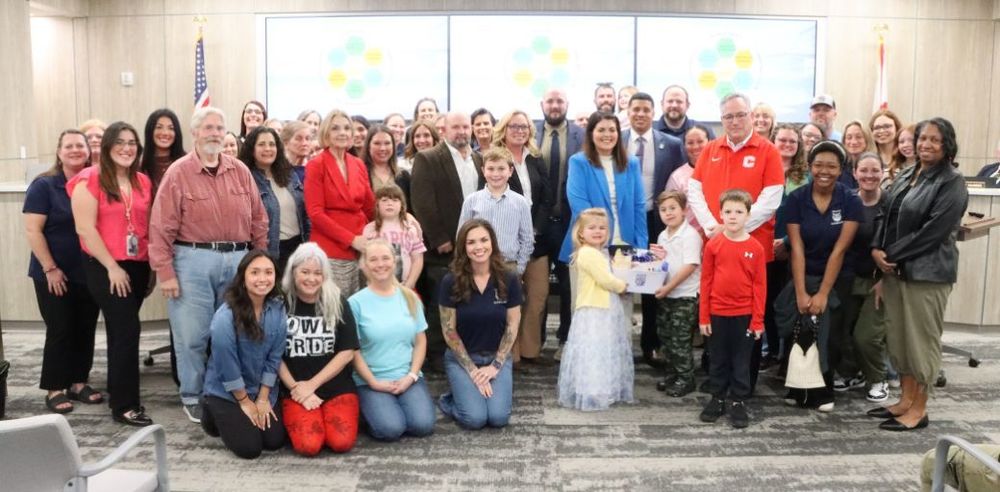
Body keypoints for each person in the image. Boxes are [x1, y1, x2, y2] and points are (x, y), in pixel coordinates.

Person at [149, 106, 269, 424]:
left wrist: (259, 260)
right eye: (208, 127)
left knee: (233, 333)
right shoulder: (178, 173)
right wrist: (165, 272)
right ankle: (193, 394)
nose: (214, 133)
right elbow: (161, 226)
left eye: (219, 128)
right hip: (192, 261)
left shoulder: (240, 170)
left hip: (238, 260)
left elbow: (259, 218)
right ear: (195, 133)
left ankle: (225, 391)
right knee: (193, 336)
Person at [869, 117, 968, 431]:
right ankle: (905, 400)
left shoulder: (952, 180)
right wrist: (876, 249)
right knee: (898, 338)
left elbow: (934, 232)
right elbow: (885, 212)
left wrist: (892, 255)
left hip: (927, 273)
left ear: (947, 145)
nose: (926, 145)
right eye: (923, 138)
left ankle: (920, 410)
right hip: (895, 271)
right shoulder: (910, 171)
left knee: (921, 341)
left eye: (934, 140)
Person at [69, 121, 154, 426]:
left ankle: (118, 394)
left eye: (132, 142)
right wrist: (112, 267)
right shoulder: (89, 179)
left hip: (138, 266)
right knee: (128, 331)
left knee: (121, 334)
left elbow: (145, 229)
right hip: (105, 266)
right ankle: (125, 406)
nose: (126, 147)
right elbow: (84, 229)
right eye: (119, 142)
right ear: (106, 146)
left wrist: (150, 266)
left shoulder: (143, 182)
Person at [778, 140, 862, 412]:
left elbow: (839, 250)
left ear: (841, 170)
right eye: (818, 165)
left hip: (838, 279)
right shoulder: (796, 199)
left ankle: (823, 391)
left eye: (832, 166)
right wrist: (802, 292)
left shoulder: (850, 200)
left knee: (831, 334)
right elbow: (797, 249)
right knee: (799, 329)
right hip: (803, 272)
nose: (824, 171)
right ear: (810, 167)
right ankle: (797, 388)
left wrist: (823, 293)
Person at [24, 130, 102, 414]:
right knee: (60, 328)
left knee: (85, 327)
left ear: (88, 151)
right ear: (59, 152)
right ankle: (55, 388)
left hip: (88, 271)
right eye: (68, 146)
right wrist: (50, 268)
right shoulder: (44, 185)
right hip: (53, 272)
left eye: (80, 145)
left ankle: (79, 383)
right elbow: (33, 230)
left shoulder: (95, 183)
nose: (75, 150)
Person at [410, 111, 483, 371]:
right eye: (456, 127)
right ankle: (436, 353)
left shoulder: (478, 159)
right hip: (444, 247)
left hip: (473, 245)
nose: (462, 131)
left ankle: (464, 348)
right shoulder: (427, 158)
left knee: (468, 299)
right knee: (441, 300)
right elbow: (422, 202)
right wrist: (439, 237)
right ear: (444, 130)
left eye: (466, 126)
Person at [200, 250, 287, 459]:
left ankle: (237, 416)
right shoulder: (225, 316)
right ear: (243, 277)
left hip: (260, 388)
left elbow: (275, 357)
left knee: (274, 442)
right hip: (227, 391)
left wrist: (263, 397)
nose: (262, 279)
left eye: (268, 272)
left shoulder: (277, 309)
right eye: (255, 272)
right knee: (250, 449)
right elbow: (226, 365)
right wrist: (245, 401)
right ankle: (210, 411)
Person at [438, 219, 522, 429]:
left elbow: (512, 324)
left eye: (484, 240)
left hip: (497, 358)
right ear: (463, 248)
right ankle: (451, 399)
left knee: (498, 418)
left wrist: (495, 366)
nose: (479, 247)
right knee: (474, 419)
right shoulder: (451, 281)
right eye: (471, 242)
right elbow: (449, 332)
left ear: (492, 242)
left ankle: (470, 394)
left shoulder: (509, 278)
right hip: (462, 359)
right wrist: (473, 371)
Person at [622, 92, 686, 367]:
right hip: (624, 223)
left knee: (652, 286)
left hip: (657, 223)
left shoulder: (671, 144)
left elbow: (678, 185)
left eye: (646, 110)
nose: (640, 114)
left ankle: (651, 345)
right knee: (622, 280)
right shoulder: (617, 141)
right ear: (628, 110)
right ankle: (620, 345)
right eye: (635, 109)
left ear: (654, 112)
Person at [278, 242, 360, 456]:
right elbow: (273, 355)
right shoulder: (281, 303)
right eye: (304, 272)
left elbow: (347, 351)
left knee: (341, 443)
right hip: (294, 388)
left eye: (317, 273)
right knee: (309, 446)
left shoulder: (338, 301)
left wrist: (312, 385)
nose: (311, 278)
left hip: (336, 387)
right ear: (293, 271)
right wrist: (298, 389)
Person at [350, 239, 435, 441]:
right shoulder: (355, 303)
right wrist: (373, 382)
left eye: (386, 258)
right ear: (364, 265)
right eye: (374, 259)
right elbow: (353, 351)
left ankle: (396, 404)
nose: (380, 264)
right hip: (372, 380)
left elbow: (420, 341)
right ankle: (371, 409)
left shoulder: (410, 297)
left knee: (422, 425)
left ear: (394, 261)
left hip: (407, 376)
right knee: (390, 429)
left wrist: (412, 376)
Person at [697, 190, 766, 429]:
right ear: (720, 214)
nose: (733, 216)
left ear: (748, 215)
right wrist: (704, 316)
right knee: (717, 359)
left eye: (739, 212)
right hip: (717, 314)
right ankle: (717, 398)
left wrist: (757, 320)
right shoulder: (714, 245)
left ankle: (738, 401)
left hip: (744, 315)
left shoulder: (756, 248)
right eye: (728, 212)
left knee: (741, 361)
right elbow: (705, 281)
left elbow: (760, 286)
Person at [557, 208, 632, 410]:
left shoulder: (600, 253)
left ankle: (602, 387)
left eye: (602, 228)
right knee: (594, 349)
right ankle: (592, 390)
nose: (598, 231)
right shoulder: (588, 254)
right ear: (581, 232)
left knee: (603, 348)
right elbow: (605, 279)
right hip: (594, 309)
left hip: (604, 307)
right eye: (592, 228)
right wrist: (623, 286)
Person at [492, 110, 551, 366]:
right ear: (504, 129)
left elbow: (547, 197)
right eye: (514, 126)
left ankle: (530, 350)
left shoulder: (535, 158)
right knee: (509, 299)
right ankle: (511, 354)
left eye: (524, 126)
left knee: (538, 296)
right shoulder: (494, 158)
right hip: (506, 242)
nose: (519, 130)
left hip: (536, 240)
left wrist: (535, 228)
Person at [304, 109, 375, 297]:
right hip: (331, 248)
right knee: (337, 307)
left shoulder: (358, 164)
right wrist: (351, 240)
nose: (342, 133)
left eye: (346, 128)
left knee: (361, 305)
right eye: (335, 128)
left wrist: (400, 218)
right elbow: (315, 213)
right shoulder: (316, 164)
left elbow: (370, 206)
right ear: (326, 133)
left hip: (363, 247)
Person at [536, 88, 585, 358]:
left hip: (570, 222)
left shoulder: (582, 135)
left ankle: (566, 337)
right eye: (550, 101)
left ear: (567, 105)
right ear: (542, 104)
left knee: (569, 284)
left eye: (559, 101)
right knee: (538, 284)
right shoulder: (530, 133)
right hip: (538, 224)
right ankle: (537, 339)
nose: (554, 106)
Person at [842, 153, 891, 403]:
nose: (869, 176)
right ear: (854, 173)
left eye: (875, 170)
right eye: (864, 170)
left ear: (883, 172)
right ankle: (851, 373)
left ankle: (878, 378)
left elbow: (896, 247)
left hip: (881, 281)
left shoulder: (892, 204)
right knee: (844, 330)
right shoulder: (847, 202)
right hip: (850, 276)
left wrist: (885, 279)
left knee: (866, 336)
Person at [763, 124, 811, 374]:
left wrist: (786, 242)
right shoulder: (764, 169)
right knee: (768, 301)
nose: (787, 145)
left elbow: (809, 215)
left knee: (789, 303)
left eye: (793, 141)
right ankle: (771, 351)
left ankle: (788, 357)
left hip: (794, 248)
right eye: (782, 140)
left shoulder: (805, 176)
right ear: (773, 141)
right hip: (764, 246)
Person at [650, 192, 702, 397]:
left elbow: (690, 266)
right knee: (666, 336)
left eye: (673, 208)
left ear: (684, 210)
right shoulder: (663, 235)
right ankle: (672, 374)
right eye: (663, 210)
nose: (668, 213)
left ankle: (686, 378)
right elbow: (666, 264)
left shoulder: (690, 235)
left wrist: (668, 287)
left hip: (685, 296)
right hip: (667, 295)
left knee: (680, 340)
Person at [241, 126, 308, 270]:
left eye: (272, 144)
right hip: (271, 250)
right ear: (251, 149)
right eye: (261, 144)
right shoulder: (246, 179)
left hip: (299, 247)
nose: (268, 148)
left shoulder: (289, 174)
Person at [458, 148, 534, 275]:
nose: (495, 174)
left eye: (501, 169)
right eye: (491, 169)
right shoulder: (472, 201)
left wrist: (519, 268)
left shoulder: (521, 202)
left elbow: (527, 239)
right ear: (483, 171)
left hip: (508, 265)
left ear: (510, 171)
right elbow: (461, 236)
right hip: (477, 265)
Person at [361, 185, 425, 290]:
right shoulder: (369, 230)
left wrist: (411, 283)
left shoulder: (410, 229)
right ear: (377, 205)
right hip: (376, 286)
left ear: (402, 205)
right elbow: (364, 261)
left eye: (395, 200)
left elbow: (417, 259)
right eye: (384, 200)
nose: (389, 203)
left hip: (404, 286)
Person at [140, 108, 186, 187]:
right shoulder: (140, 168)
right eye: (159, 127)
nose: (165, 133)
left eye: (171, 128)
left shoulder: (186, 163)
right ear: (150, 131)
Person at [362, 124, 410, 197]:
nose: (382, 148)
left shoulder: (403, 176)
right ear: (368, 146)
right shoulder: (360, 174)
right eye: (377, 143)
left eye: (387, 143)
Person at [841, 120, 874, 188]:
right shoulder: (840, 168)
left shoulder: (876, 165)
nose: (853, 142)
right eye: (849, 137)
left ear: (867, 139)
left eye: (858, 137)